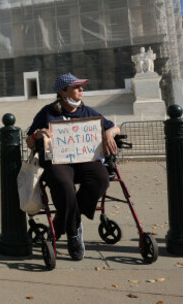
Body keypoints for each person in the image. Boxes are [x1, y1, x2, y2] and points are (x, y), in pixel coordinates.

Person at [26, 73, 120, 261]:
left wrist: (110, 133)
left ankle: (64, 221)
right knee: (63, 183)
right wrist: (37, 135)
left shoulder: (88, 112)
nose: (81, 90)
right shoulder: (48, 113)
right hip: (58, 162)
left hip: (85, 160)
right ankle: (74, 232)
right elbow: (29, 140)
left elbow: (115, 127)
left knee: (101, 178)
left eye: (81, 86)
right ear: (63, 92)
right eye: (76, 87)